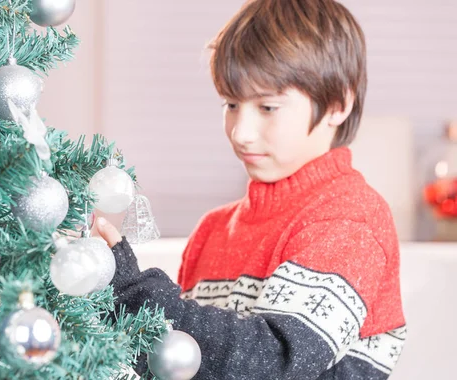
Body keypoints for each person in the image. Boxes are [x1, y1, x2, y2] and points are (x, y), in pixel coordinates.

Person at [97, 0, 407, 378]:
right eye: (231, 104)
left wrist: (136, 294)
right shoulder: (212, 231)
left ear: (337, 104)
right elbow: (182, 365)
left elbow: (275, 363)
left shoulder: (350, 219)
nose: (241, 133)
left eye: (267, 107)